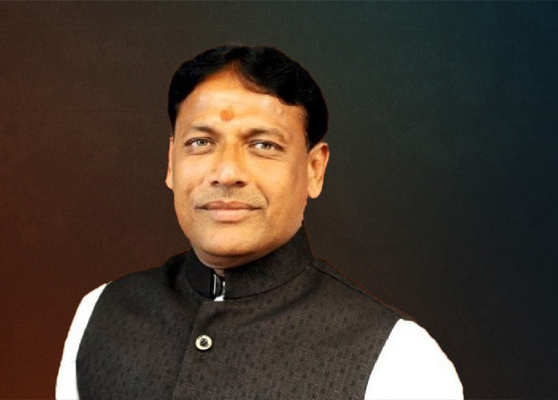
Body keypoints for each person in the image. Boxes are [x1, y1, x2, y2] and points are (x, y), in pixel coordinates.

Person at [56, 44, 463, 400]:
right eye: (201, 142)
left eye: (263, 144)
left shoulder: (400, 360)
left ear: (315, 169)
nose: (226, 172)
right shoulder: (102, 313)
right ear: (171, 162)